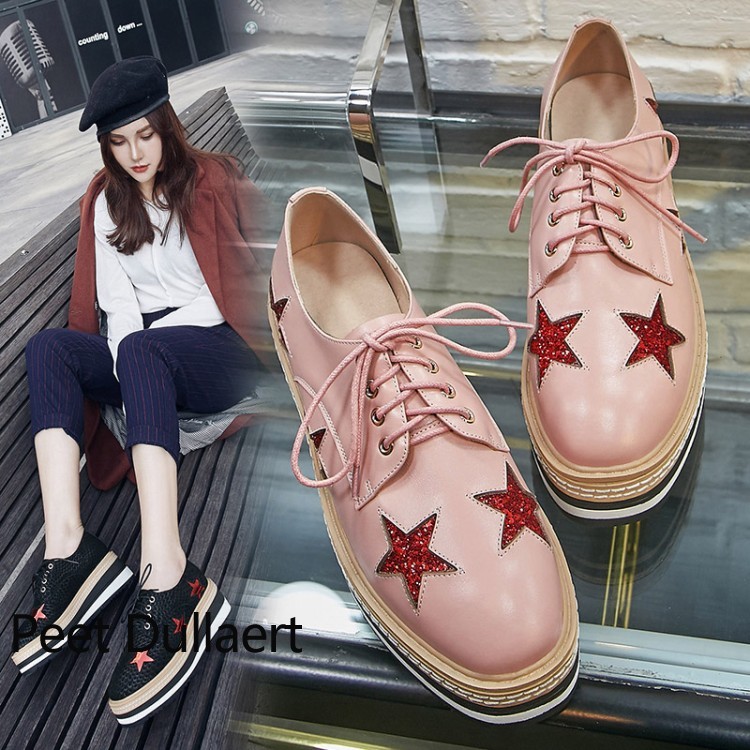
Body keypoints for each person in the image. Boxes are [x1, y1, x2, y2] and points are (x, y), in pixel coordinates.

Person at [11, 56, 265, 725]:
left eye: (145, 135)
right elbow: (117, 306)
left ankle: (168, 572)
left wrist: (141, 353)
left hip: (221, 349)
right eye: (119, 142)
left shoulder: (209, 180)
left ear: (166, 126)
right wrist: (131, 367)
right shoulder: (107, 200)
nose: (135, 154)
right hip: (148, 352)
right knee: (49, 349)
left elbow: (224, 295)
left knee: (144, 349)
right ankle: (69, 547)